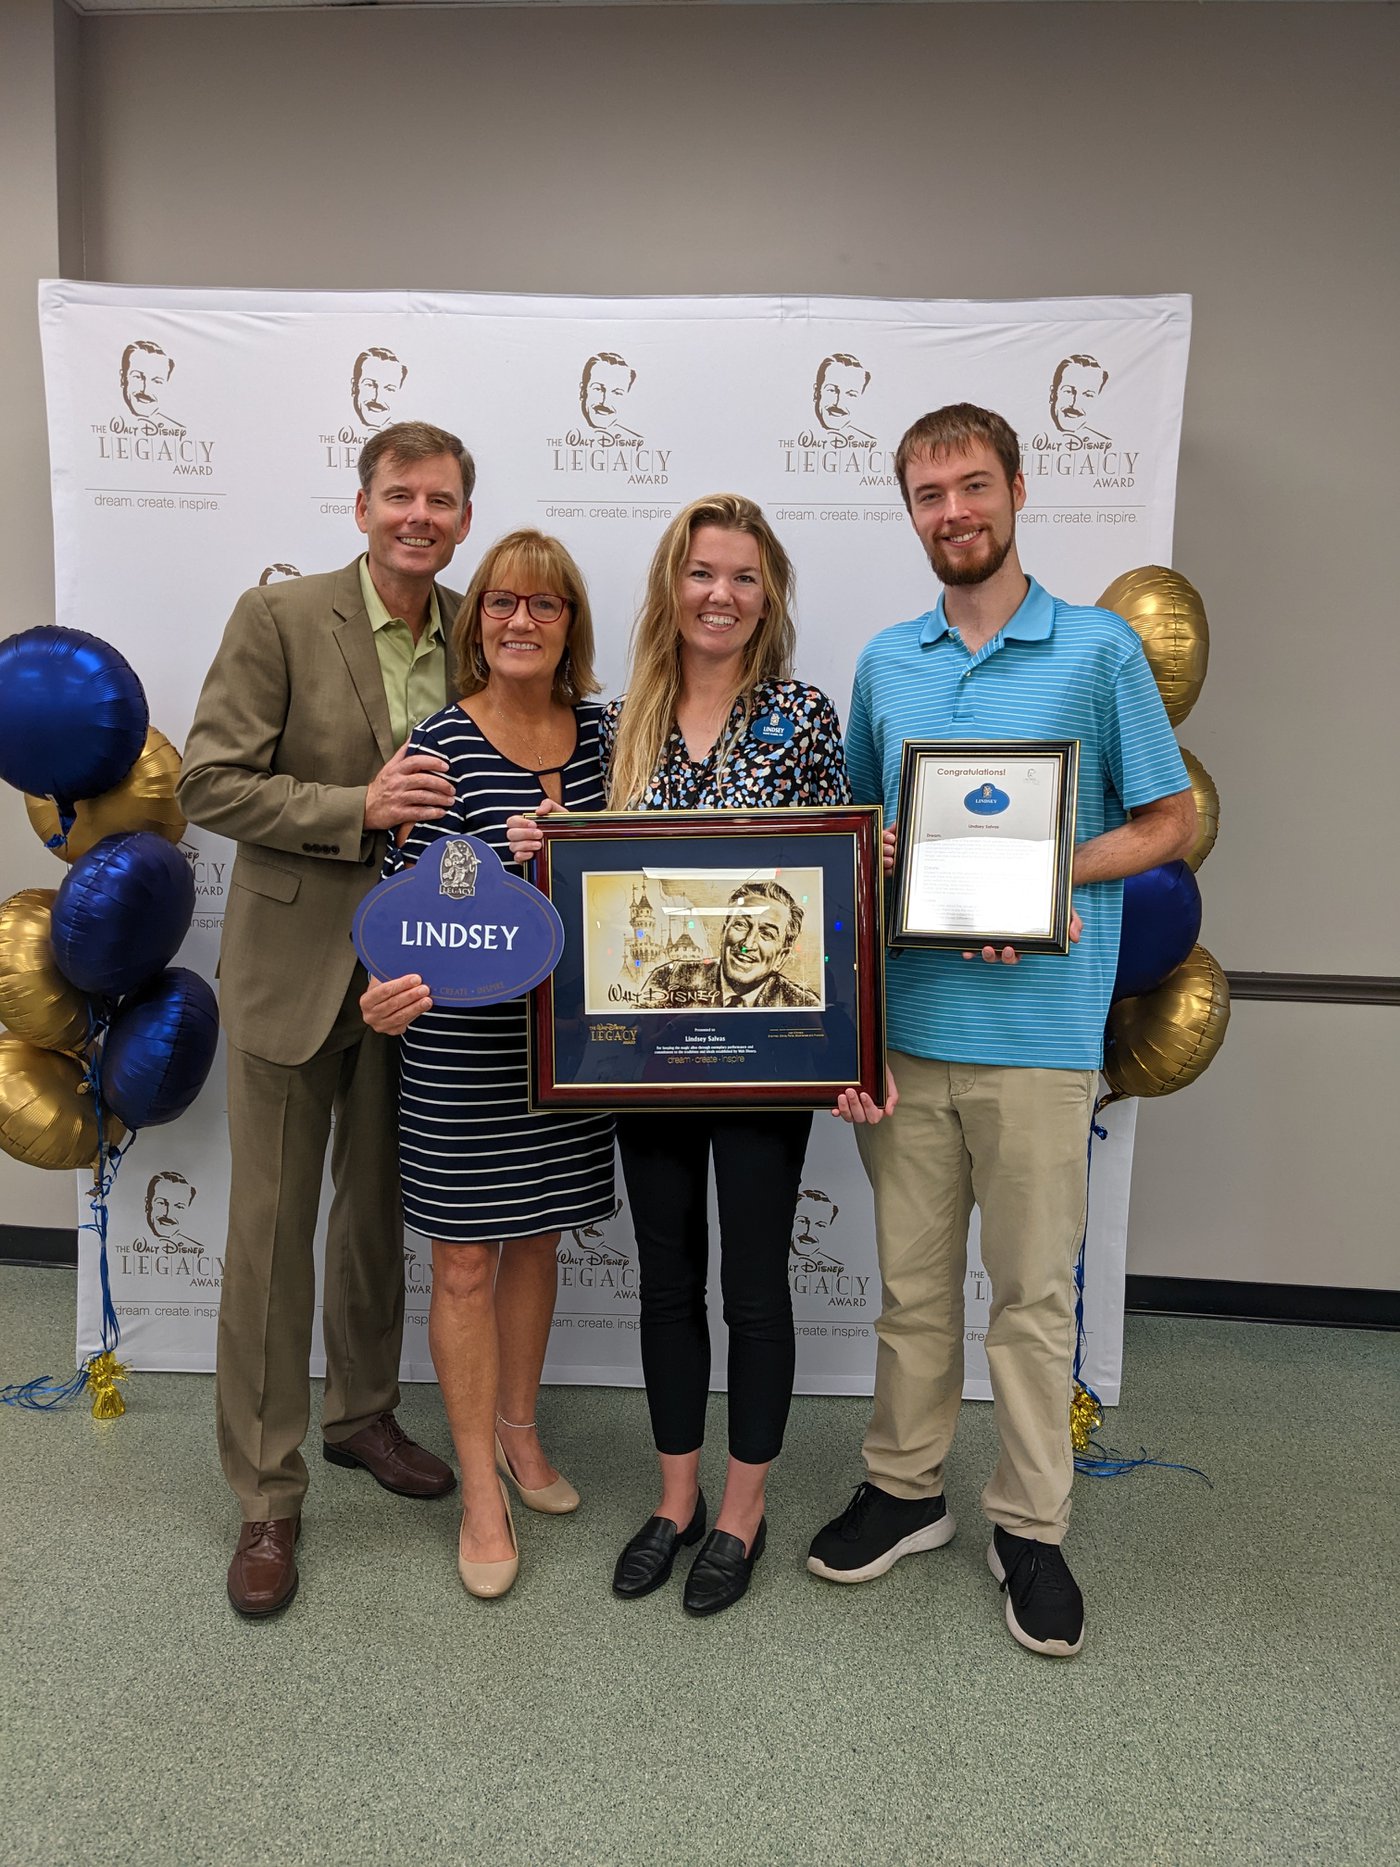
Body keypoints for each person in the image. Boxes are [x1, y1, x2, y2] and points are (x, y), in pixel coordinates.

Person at [810, 403, 1196, 1658]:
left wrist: (1042, 881)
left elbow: (1167, 822)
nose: (952, 512)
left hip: (1039, 1034)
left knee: (1030, 1300)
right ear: (910, 512)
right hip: (913, 1027)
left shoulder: (1093, 653)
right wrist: (881, 866)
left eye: (971, 486)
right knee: (911, 1291)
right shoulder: (886, 660)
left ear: (1017, 491)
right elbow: (867, 843)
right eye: (927, 494)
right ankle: (904, 1489)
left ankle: (1029, 1525)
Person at [511, 494, 851, 1616]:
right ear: (672, 583)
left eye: (745, 576)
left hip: (765, 1055)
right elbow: (594, 888)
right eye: (703, 571)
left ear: (770, 594)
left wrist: (853, 1025)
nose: (722, 594)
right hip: (645, 1053)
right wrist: (537, 849)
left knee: (752, 1285)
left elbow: (832, 894)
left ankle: (743, 1506)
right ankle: (674, 1498)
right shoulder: (615, 724)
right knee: (667, 1278)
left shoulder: (802, 717)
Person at [178, 419, 475, 1618]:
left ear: (462, 517)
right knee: (270, 1236)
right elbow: (208, 780)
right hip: (292, 974)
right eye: (399, 494)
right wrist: (360, 801)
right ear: (361, 508)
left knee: (372, 1223)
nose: (419, 515)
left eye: (441, 500)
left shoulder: (485, 627)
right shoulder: (281, 618)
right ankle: (266, 1493)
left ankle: (361, 1416)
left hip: (423, 981)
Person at [360, 531, 616, 1600]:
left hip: (569, 1041)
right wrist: (384, 988)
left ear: (570, 626)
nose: (520, 621)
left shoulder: (609, 735)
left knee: (539, 1241)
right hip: (463, 1041)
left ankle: (519, 1430)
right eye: (503, 602)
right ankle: (477, 1484)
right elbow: (403, 901)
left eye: (545, 606)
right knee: (464, 1260)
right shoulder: (436, 743)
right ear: (478, 622)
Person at [639, 879, 820, 1009]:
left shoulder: (802, 1005)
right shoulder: (669, 978)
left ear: (781, 957)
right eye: (741, 925)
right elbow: (637, 1046)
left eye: (766, 934)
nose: (748, 944)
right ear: (723, 932)